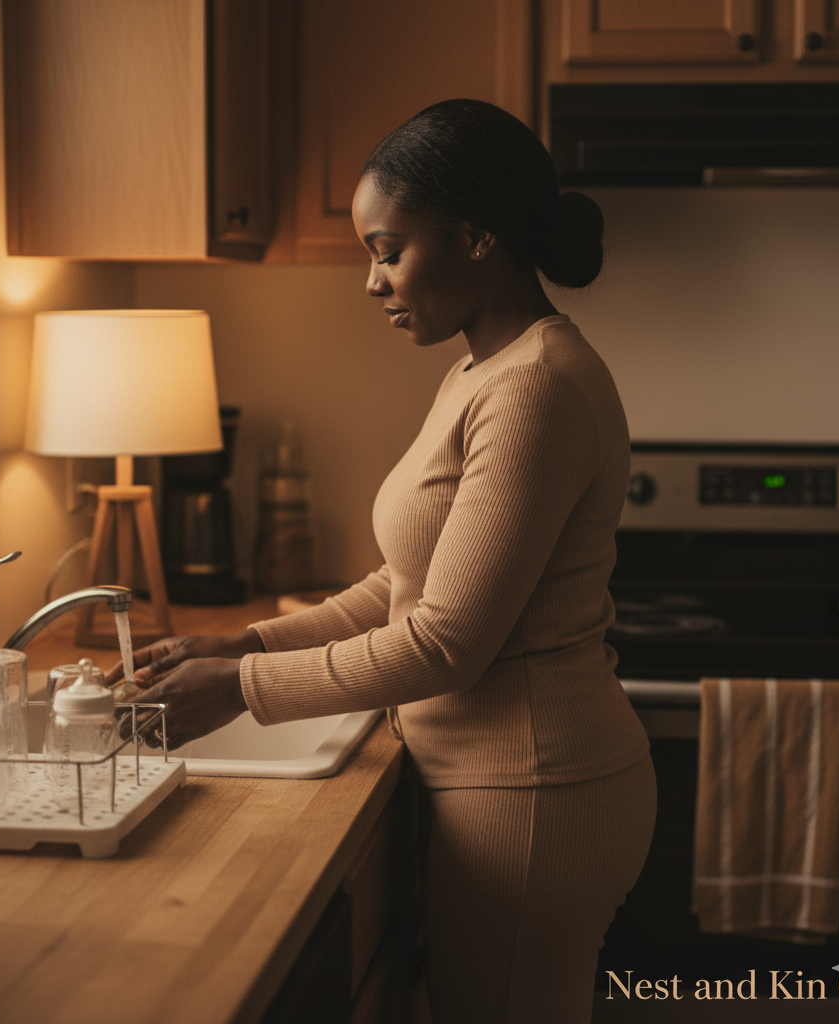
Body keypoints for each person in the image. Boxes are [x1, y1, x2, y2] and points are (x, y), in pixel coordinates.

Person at [113, 99, 656, 1024]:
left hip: (533, 792)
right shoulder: (484, 370)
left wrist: (244, 685)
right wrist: (244, 637)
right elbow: (401, 586)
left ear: (476, 237)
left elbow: (445, 643)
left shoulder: (535, 389)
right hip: (499, 778)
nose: (373, 281)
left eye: (387, 248)